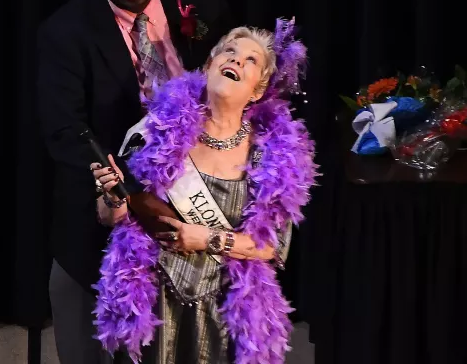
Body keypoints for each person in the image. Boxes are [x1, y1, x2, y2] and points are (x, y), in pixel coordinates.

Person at [37, 0, 233, 364]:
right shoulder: (65, 33)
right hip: (112, 206)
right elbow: (65, 131)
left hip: (206, 195)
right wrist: (128, 193)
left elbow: (238, 77)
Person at [89, 19, 320, 363]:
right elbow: (113, 217)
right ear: (209, 65)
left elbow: (272, 247)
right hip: (152, 304)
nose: (236, 60)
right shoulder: (156, 130)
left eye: (250, 60)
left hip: (225, 313)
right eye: (229, 51)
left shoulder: (271, 154)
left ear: (257, 91)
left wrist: (207, 239)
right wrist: (111, 196)